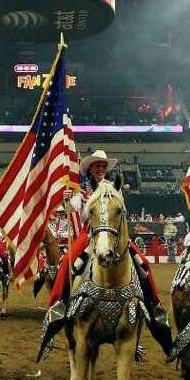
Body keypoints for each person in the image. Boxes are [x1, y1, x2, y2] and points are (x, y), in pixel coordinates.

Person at [44, 149, 169, 350]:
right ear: (90, 169)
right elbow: (75, 212)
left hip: (113, 236)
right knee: (67, 264)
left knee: (143, 264)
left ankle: (154, 309)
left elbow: (121, 210)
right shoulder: (80, 190)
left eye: (103, 165)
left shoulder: (114, 187)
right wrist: (67, 199)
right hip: (89, 236)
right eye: (96, 165)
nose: (100, 168)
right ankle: (57, 307)